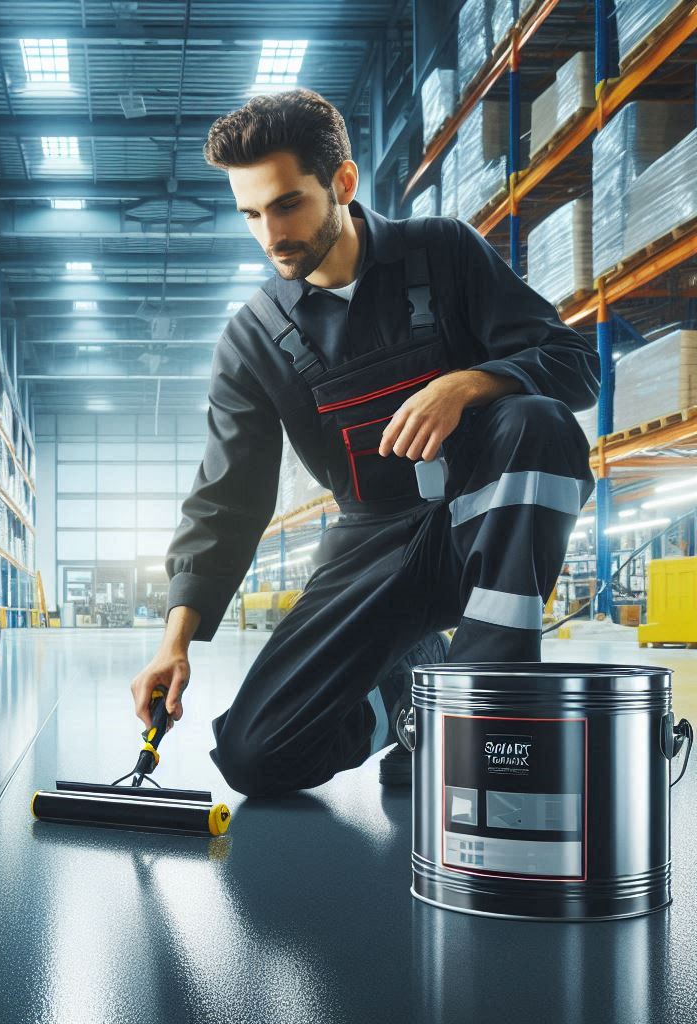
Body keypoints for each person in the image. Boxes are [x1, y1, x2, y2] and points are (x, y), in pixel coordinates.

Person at [129, 89, 599, 794]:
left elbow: (574, 365)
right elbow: (226, 499)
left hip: (484, 524)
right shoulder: (252, 341)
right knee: (258, 755)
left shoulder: (443, 254)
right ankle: (412, 706)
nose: (270, 235)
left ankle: (481, 709)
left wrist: (471, 383)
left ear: (342, 183)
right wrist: (174, 643)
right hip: (372, 545)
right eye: (251, 214)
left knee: (539, 423)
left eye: (287, 204)